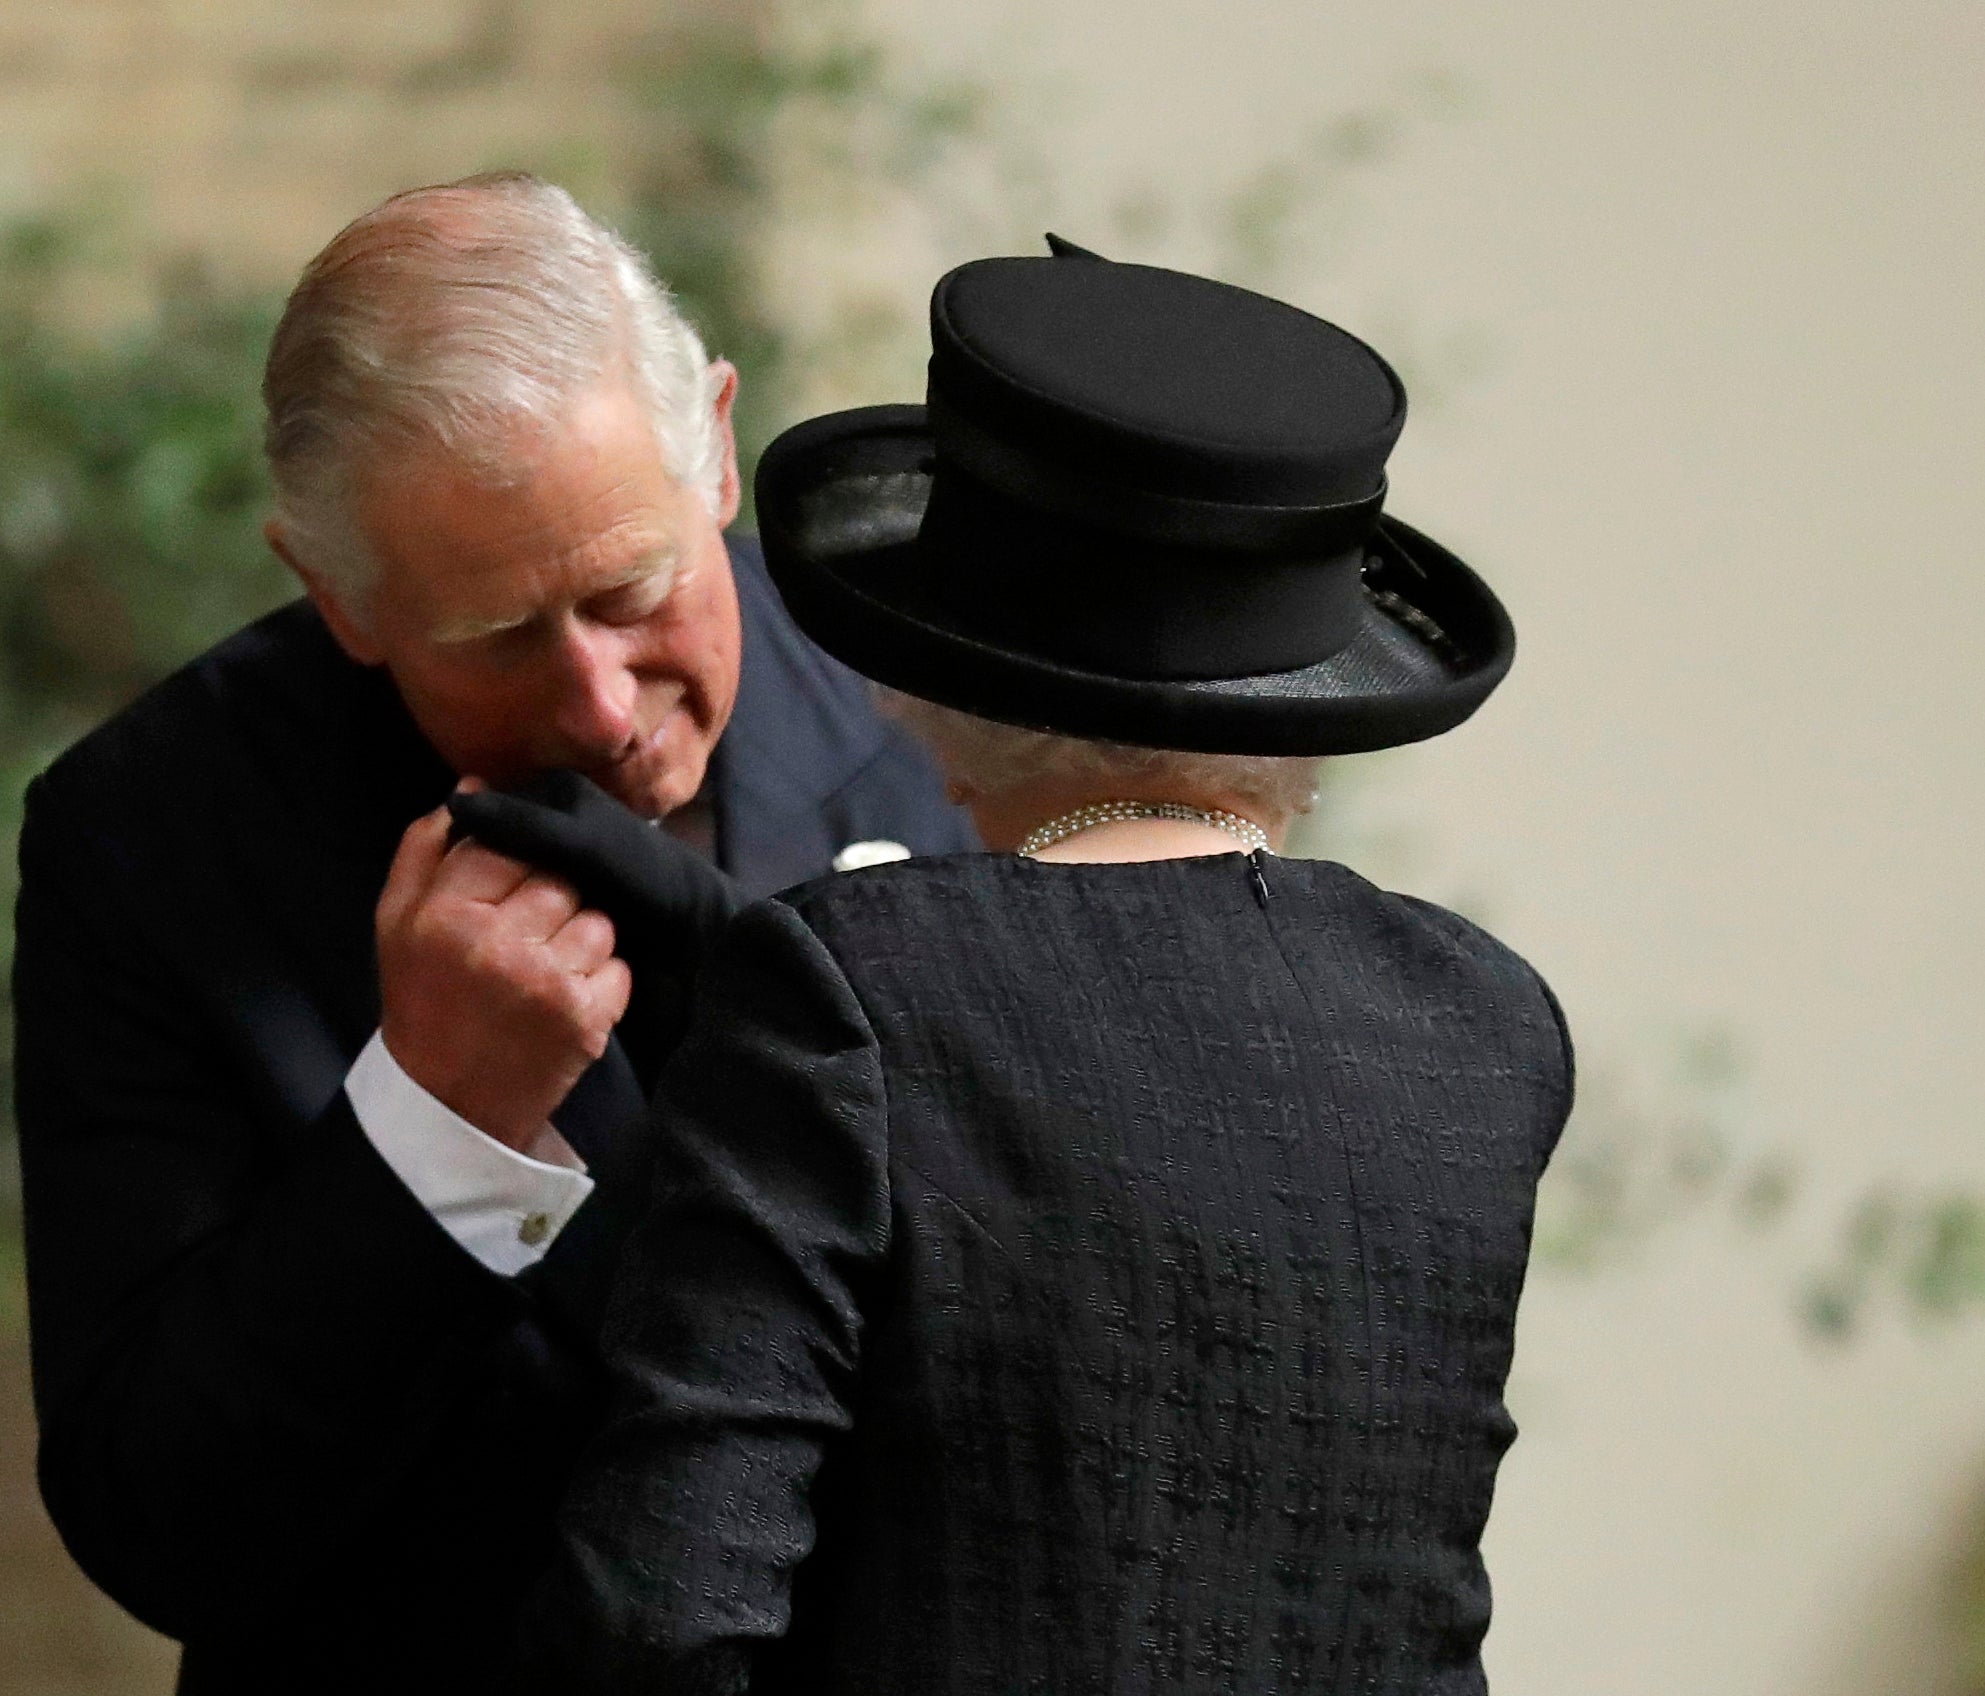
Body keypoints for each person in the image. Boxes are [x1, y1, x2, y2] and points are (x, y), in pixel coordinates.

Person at [490, 245, 1576, 1694]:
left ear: (917, 680)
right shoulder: (1481, 1024)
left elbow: (661, 1615)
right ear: (1317, 703)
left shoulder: (844, 991)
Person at [7, 173, 972, 1692]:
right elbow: (163, 1526)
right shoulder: (159, 834)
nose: (596, 700)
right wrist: (434, 1127)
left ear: (714, 445)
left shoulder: (946, 701)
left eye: (629, 589)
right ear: (341, 598)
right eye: (498, 637)